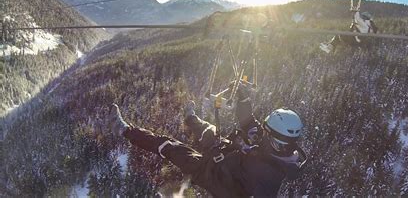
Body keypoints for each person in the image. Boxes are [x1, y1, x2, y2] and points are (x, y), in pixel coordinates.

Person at [106, 82, 307, 197]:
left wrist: (215, 167)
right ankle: (190, 117)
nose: (262, 135)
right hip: (228, 156)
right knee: (207, 130)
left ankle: (124, 130)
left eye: (267, 135)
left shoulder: (268, 181)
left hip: (214, 174)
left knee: (170, 146)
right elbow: (248, 123)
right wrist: (243, 98)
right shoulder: (275, 144)